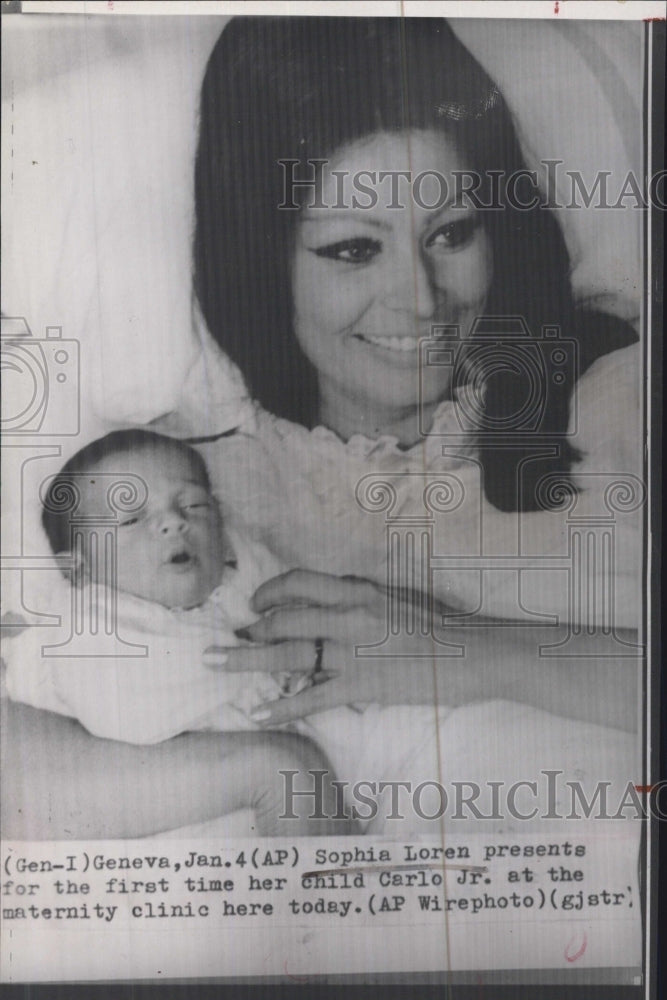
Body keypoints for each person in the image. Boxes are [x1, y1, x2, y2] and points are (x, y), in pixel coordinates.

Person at [2, 16, 643, 839]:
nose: (420, 299)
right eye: (350, 250)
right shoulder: (183, 493)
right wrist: (267, 771)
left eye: (450, 234)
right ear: (265, 261)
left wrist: (461, 652)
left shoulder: (624, 400)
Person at [3, 429, 346, 836]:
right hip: (151, 804)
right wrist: (256, 671)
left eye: (194, 504)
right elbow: (126, 712)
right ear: (79, 569)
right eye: (131, 518)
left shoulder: (241, 577)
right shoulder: (91, 624)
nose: (174, 522)